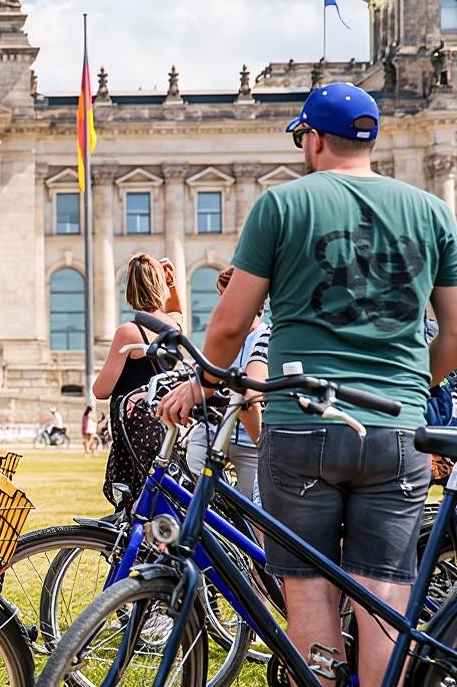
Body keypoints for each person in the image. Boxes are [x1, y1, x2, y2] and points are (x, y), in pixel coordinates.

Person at [159, 82, 457, 684]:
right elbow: (453, 335)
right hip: (399, 430)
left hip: (302, 425)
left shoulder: (282, 205)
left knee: (310, 592)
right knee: (383, 597)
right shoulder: (432, 211)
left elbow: (228, 326)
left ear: (313, 139)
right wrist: (408, 387)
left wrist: (209, 380)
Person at [94, 253, 183, 506]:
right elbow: (176, 310)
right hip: (163, 425)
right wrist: (172, 283)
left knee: (135, 503)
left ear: (130, 289)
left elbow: (101, 390)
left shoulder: (129, 332)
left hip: (135, 429)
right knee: (161, 499)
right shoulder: (173, 328)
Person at [182, 266, 269, 500]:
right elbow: (197, 374)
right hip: (215, 433)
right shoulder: (225, 341)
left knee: (256, 518)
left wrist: (264, 445)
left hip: (251, 439)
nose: (223, 305)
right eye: (222, 298)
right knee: (188, 489)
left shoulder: (264, 337)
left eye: (228, 298)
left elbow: (250, 395)